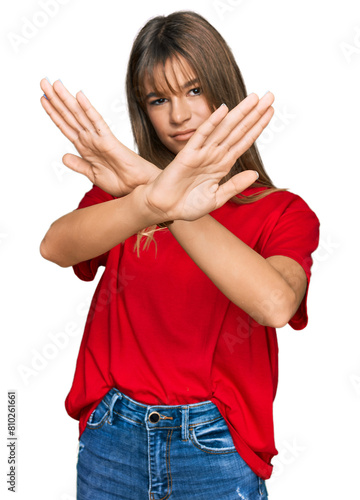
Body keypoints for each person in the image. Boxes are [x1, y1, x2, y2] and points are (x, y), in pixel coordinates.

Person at [39, 11, 320, 500]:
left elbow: (275, 304)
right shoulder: (125, 194)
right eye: (158, 99)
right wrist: (146, 199)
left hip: (215, 449)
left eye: (193, 90)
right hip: (113, 437)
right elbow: (55, 246)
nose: (179, 115)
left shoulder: (282, 212)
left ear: (223, 87)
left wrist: (169, 205)